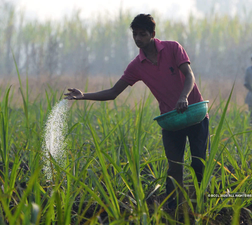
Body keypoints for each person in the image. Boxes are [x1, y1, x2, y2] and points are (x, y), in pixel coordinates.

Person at [64, 14, 209, 210]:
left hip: (194, 114)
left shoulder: (173, 48)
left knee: (198, 163)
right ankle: (173, 209)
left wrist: (183, 97)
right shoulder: (136, 66)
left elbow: (189, 75)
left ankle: (199, 205)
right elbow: (113, 92)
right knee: (174, 167)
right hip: (172, 119)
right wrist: (83, 96)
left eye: (142, 34)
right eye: (135, 34)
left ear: (152, 34)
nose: (138, 39)